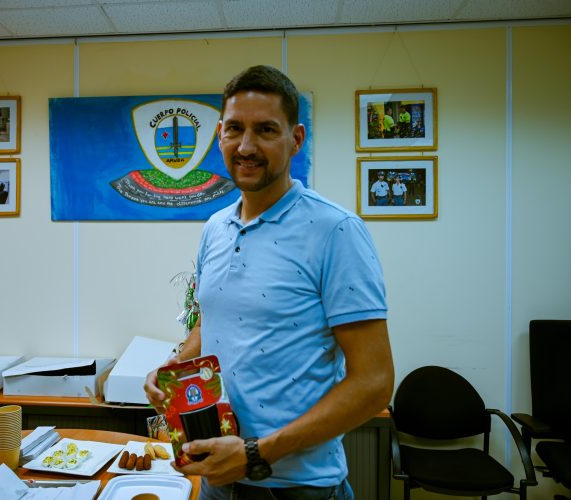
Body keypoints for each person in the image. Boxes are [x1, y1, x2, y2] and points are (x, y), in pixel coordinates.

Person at [144, 65, 394, 500]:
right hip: (218, 481)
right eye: (236, 129)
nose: (246, 146)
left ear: (295, 139)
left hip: (300, 488)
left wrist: (256, 453)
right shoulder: (215, 228)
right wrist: (173, 368)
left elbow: (373, 382)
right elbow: (213, 323)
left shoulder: (335, 230)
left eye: (265, 130)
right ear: (220, 133)